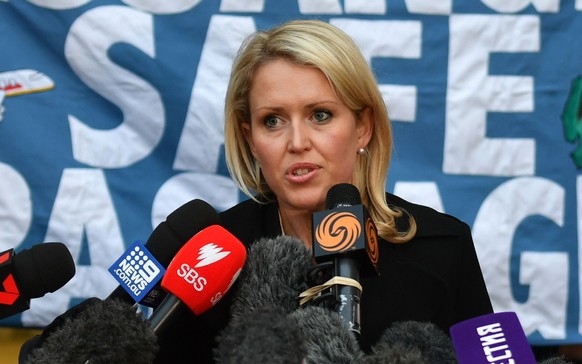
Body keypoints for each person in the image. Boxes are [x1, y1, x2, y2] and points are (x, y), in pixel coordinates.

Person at [19, 19, 493, 363]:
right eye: (273, 121)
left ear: (364, 126)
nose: (297, 142)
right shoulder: (209, 252)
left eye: (321, 115)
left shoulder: (441, 246)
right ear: (249, 138)